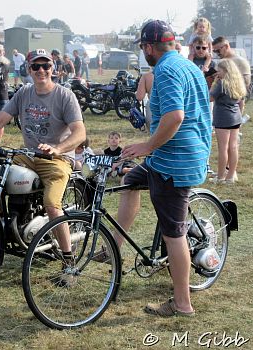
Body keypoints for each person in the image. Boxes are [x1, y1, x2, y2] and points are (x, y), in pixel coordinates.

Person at [100, 20, 212, 317]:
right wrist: (147, 146)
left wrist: (147, 146)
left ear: (149, 47)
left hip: (175, 163)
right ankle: (116, 245)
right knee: (130, 179)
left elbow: (175, 116)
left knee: (173, 235)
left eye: (142, 48)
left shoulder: (164, 71)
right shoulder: (189, 66)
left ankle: (182, 303)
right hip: (176, 155)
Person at [0, 49, 86, 277]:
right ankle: (0, 229)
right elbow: (2, 118)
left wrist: (58, 148)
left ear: (54, 69)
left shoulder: (65, 96)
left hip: (57, 159)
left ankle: (68, 258)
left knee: (52, 205)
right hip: (28, 155)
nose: (41, 70)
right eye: (36, 66)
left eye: (46, 66)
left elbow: (80, 132)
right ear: (29, 69)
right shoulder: (23, 93)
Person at [209, 59, 246, 184]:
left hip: (223, 118)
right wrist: (240, 115)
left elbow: (210, 98)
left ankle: (220, 177)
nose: (217, 72)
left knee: (223, 148)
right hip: (236, 117)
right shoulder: (238, 82)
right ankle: (230, 176)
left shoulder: (221, 83)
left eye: (219, 70)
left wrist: (214, 82)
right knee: (233, 147)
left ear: (226, 70)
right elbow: (242, 101)